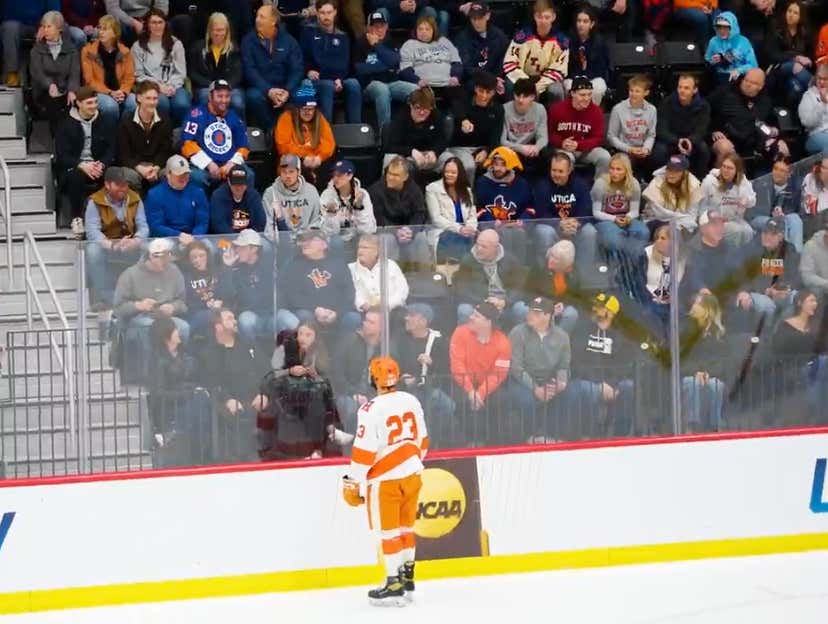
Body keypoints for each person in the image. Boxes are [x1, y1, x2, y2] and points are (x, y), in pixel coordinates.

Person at [342, 356, 429, 607]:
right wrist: (410, 463)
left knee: (389, 534)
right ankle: (408, 578)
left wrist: (353, 482)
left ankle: (393, 583)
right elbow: (422, 441)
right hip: (413, 474)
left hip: (386, 481)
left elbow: (363, 453)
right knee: (406, 529)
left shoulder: (370, 409)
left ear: (373, 378)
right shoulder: (411, 400)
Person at [199, 307, 269, 462]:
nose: (235, 321)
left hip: (256, 400)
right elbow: (212, 382)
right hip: (229, 403)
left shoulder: (249, 346)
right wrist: (227, 399)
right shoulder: (209, 353)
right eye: (230, 318)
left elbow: (266, 372)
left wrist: (264, 394)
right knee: (226, 415)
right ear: (218, 326)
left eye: (234, 317)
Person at [568, 293, 636, 438]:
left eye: (599, 307)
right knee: (590, 389)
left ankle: (620, 436)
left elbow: (625, 364)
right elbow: (577, 359)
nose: (594, 308)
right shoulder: (583, 328)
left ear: (610, 313)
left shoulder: (621, 335)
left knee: (628, 387)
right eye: (595, 305)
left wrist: (612, 384)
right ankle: (588, 435)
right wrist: (599, 383)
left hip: (612, 383)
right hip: (586, 379)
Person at [507, 296, 573, 442]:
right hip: (521, 382)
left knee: (569, 393)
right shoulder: (517, 333)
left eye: (536, 313)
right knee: (526, 399)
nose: (530, 315)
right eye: (530, 311)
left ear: (548, 316)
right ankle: (531, 436)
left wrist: (560, 383)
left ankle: (557, 436)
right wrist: (535, 388)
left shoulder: (562, 337)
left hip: (549, 380)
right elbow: (516, 367)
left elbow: (563, 365)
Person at [84, 166, 147, 318]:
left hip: (129, 242)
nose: (123, 188)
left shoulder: (135, 198)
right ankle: (102, 299)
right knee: (92, 250)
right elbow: (92, 231)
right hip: (106, 244)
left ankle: (144, 294)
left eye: (125, 184)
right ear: (107, 185)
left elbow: (143, 226)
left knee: (149, 247)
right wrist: (111, 245)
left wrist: (136, 240)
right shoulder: (95, 201)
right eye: (118, 185)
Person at [54, 87, 116, 238]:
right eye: (89, 103)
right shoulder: (65, 124)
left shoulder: (105, 120)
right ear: (79, 104)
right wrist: (82, 164)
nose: (93, 106)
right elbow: (62, 155)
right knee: (75, 177)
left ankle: (111, 220)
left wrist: (101, 164)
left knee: (114, 175)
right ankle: (77, 218)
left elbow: (111, 148)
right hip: (76, 166)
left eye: (95, 102)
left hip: (98, 164)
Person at [393, 304, 455, 446]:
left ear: (423, 321)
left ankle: (433, 443)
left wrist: (432, 363)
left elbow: (446, 370)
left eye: (412, 315)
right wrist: (402, 377)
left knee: (446, 405)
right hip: (405, 390)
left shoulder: (438, 341)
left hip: (431, 388)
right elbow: (393, 363)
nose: (406, 318)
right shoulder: (400, 339)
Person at [449, 301, 511, 440]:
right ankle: (467, 443)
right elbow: (457, 365)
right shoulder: (460, 332)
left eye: (476, 316)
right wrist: (471, 391)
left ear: (488, 322)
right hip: (462, 383)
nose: (471, 317)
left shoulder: (503, 342)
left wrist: (481, 393)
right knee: (461, 402)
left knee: (502, 400)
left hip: (487, 385)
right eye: (472, 314)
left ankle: (494, 444)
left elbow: (498, 374)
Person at [113, 236, 190, 347]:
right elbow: (118, 308)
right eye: (162, 258)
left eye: (167, 257)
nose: (166, 262)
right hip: (139, 318)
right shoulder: (130, 274)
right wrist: (138, 305)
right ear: (151, 256)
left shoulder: (174, 271)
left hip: (165, 317)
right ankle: (148, 364)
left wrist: (173, 307)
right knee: (148, 327)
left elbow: (182, 302)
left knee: (183, 327)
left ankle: (176, 362)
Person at [276, 230, 358, 331]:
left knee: (353, 318)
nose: (305, 243)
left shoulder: (339, 264)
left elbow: (348, 293)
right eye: (304, 241)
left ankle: (348, 346)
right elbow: (292, 296)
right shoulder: (295, 265)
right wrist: (315, 309)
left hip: (336, 314)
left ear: (324, 245)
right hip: (309, 312)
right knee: (305, 316)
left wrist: (336, 312)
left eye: (311, 240)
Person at [180, 79, 253, 191]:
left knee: (248, 175)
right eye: (219, 96)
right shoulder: (195, 116)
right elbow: (187, 145)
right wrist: (208, 164)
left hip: (229, 166)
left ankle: (241, 208)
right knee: (195, 177)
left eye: (227, 96)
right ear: (210, 96)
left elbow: (244, 147)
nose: (224, 100)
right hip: (204, 168)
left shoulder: (235, 118)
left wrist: (232, 164)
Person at [532, 151, 597, 276]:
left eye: (560, 171)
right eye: (554, 170)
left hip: (574, 226)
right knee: (543, 231)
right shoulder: (542, 185)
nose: (556, 174)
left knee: (590, 232)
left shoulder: (580, 185)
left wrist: (576, 223)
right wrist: (559, 223)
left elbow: (586, 209)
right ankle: (546, 274)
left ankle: (582, 275)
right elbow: (540, 213)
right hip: (552, 226)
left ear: (569, 170)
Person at [242, 4, 303, 131]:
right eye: (257, 16)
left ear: (273, 21)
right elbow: (249, 70)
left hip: (284, 88)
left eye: (262, 17)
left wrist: (287, 90)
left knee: (303, 94)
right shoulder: (248, 41)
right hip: (261, 89)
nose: (257, 19)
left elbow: (296, 69)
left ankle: (297, 133)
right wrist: (268, 90)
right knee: (253, 96)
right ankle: (273, 131)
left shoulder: (289, 41)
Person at [352, 11, 418, 128]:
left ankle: (414, 129)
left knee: (416, 90)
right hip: (369, 86)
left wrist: (377, 45)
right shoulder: (361, 43)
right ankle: (386, 134)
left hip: (391, 83)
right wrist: (385, 66)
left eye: (382, 26)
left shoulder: (390, 42)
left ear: (386, 26)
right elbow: (359, 69)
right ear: (369, 27)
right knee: (381, 89)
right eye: (375, 26)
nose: (379, 30)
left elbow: (395, 62)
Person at [709, 68, 787, 166]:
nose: (748, 84)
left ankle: (776, 180)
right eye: (746, 80)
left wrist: (774, 130)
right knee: (725, 148)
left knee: (783, 148)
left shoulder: (765, 100)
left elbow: (773, 122)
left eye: (753, 83)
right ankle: (718, 180)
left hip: (755, 139)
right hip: (728, 137)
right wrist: (714, 130)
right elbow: (707, 110)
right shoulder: (725, 93)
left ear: (761, 86)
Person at [300, 0, 361, 124]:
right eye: (322, 13)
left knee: (353, 84)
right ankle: (325, 129)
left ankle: (355, 128)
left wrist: (340, 78)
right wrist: (308, 71)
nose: (326, 16)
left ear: (335, 13)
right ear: (317, 13)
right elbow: (302, 58)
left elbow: (345, 64)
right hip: (316, 79)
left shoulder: (343, 36)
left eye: (329, 12)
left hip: (337, 79)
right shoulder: (308, 32)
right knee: (327, 85)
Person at [127, 8, 190, 125]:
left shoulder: (176, 44)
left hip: (173, 86)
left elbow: (181, 72)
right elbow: (138, 74)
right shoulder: (138, 46)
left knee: (182, 104)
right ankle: (160, 131)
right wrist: (159, 87)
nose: (157, 26)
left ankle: (178, 132)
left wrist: (171, 86)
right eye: (153, 23)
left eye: (160, 22)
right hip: (150, 87)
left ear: (165, 24)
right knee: (161, 102)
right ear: (147, 25)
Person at [738, 217, 801, 327]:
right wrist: (766, 290)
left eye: (773, 234)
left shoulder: (789, 249)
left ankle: (780, 334)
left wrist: (783, 289)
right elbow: (746, 276)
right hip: (756, 292)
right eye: (765, 233)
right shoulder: (753, 248)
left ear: (781, 236)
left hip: (779, 292)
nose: (767, 237)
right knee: (767, 304)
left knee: (794, 298)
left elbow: (792, 275)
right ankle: (766, 337)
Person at [369, 156, 431, 266]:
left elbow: (420, 213)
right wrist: (396, 231)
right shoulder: (376, 190)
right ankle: (389, 275)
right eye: (389, 173)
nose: (391, 177)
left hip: (407, 230)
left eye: (396, 175)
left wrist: (411, 230)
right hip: (386, 230)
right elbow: (378, 218)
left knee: (421, 238)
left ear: (405, 177)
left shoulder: (414, 189)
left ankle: (423, 275)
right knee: (387, 239)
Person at [473, 146, 532, 261]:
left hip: (514, 227)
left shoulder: (521, 184)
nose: (498, 168)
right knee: (497, 234)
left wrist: (521, 222)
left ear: (511, 165)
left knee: (517, 233)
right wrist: (494, 223)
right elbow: (478, 209)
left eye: (503, 164)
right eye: (496, 163)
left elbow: (530, 208)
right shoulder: (482, 182)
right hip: (489, 225)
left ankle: (515, 270)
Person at [503, 0, 569, 104]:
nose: (543, 21)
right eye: (539, 17)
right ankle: (510, 117)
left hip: (546, 79)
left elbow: (559, 70)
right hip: (523, 76)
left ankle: (554, 119)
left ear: (553, 17)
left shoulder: (561, 41)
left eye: (547, 17)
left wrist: (538, 86)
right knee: (509, 84)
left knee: (556, 90)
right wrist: (526, 84)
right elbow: (510, 63)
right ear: (534, 17)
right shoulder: (522, 37)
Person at [454, 228, 525, 324]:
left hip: (504, 305)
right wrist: (485, 303)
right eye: (478, 244)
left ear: (495, 247)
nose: (479, 249)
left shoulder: (510, 260)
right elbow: (462, 289)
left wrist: (504, 302)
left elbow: (519, 287)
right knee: (464, 310)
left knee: (521, 308)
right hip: (479, 304)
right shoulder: (468, 260)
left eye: (484, 246)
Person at [680, 293, 728, 432]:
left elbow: (722, 361)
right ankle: (691, 426)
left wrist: (708, 373)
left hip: (711, 375)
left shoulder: (719, 333)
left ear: (708, 309)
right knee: (691, 382)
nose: (694, 306)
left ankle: (715, 427)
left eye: (698, 303)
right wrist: (696, 372)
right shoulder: (685, 330)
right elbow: (681, 359)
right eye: (694, 303)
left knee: (716, 385)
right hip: (689, 374)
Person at [444, 70, 503, 182]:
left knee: (501, 165)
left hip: (484, 148)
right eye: (481, 91)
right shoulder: (464, 99)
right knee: (469, 166)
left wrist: (487, 151)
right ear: (475, 88)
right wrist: (463, 120)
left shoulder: (498, 109)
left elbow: (496, 135)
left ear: (494, 92)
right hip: (461, 147)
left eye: (488, 92)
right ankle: (467, 195)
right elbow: (453, 101)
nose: (484, 96)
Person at [274, 80, 336, 185]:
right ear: (297, 109)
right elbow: (283, 146)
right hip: (295, 160)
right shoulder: (286, 118)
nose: (308, 112)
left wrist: (320, 157)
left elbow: (329, 142)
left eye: (311, 109)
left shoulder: (319, 118)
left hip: (316, 159)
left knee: (331, 167)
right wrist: (303, 156)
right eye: (304, 109)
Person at [116, 80, 174, 192]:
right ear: (138, 98)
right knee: (129, 176)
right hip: (135, 166)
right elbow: (123, 154)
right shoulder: (126, 121)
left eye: (155, 98)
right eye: (148, 98)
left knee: (172, 172)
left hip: (157, 165)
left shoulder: (165, 119)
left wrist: (156, 167)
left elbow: (166, 150)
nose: (152, 102)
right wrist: (140, 168)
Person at [547, 76, 610, 175]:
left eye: (589, 94)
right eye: (582, 95)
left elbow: (598, 138)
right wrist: (561, 142)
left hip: (586, 150)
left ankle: (600, 187)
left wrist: (579, 145)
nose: (587, 98)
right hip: (564, 149)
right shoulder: (557, 109)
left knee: (604, 157)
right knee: (566, 160)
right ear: (572, 93)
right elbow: (550, 134)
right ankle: (568, 188)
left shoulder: (596, 111)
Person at [29, 11, 81, 132]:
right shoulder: (37, 50)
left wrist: (72, 90)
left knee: (74, 104)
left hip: (65, 91)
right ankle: (56, 144)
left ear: (59, 29)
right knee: (54, 105)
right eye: (43, 26)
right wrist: (50, 85)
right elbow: (37, 73)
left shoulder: (71, 49)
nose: (45, 30)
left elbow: (74, 74)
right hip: (43, 92)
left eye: (49, 26)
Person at [652, 74, 712, 178]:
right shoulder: (667, 103)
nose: (682, 90)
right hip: (671, 140)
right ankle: (660, 181)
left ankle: (699, 181)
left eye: (686, 88)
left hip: (691, 140)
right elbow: (661, 129)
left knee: (703, 149)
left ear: (695, 90)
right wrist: (677, 140)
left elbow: (701, 130)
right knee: (659, 151)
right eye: (680, 87)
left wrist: (690, 140)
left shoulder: (703, 106)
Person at [80, 14, 134, 127]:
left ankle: (123, 130)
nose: (100, 32)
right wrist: (110, 92)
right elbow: (89, 80)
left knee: (134, 103)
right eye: (99, 28)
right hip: (99, 92)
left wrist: (123, 92)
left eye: (105, 29)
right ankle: (111, 134)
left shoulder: (125, 52)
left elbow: (129, 78)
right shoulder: (88, 51)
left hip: (120, 91)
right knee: (110, 106)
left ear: (115, 32)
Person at [591, 153, 648, 259]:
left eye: (618, 169)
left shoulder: (634, 184)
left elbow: (635, 211)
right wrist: (614, 219)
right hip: (605, 220)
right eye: (612, 168)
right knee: (614, 238)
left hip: (626, 219)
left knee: (642, 232)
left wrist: (628, 218)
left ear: (626, 171)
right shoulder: (600, 184)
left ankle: (634, 263)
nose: (614, 172)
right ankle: (618, 268)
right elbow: (596, 212)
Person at [222, 229, 275, 343]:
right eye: (236, 247)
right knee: (245, 320)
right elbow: (226, 294)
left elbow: (287, 250)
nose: (237, 250)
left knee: (287, 319)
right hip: (251, 314)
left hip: (272, 314)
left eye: (241, 247)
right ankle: (252, 356)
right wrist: (227, 267)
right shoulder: (235, 270)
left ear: (254, 249)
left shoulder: (269, 265)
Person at [188, 12, 244, 116]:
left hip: (229, 87)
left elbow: (238, 74)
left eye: (222, 30)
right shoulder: (198, 48)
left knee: (237, 101)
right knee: (205, 97)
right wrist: (211, 86)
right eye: (215, 30)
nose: (218, 33)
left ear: (227, 31)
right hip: (206, 86)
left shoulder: (234, 49)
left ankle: (239, 129)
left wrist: (225, 88)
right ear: (209, 30)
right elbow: (193, 72)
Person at [262, 154, 323, 249]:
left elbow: (317, 220)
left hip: (306, 241)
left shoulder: (311, 191)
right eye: (284, 172)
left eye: (291, 172)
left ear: (299, 172)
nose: (287, 176)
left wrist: (307, 238)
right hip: (282, 242)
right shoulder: (270, 193)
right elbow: (268, 226)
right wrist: (283, 241)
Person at [382, 85, 448, 173]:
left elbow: (442, 140)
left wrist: (434, 152)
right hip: (407, 157)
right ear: (411, 106)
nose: (422, 112)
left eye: (426, 108)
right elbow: (392, 146)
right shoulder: (401, 118)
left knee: (450, 160)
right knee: (390, 160)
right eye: (418, 108)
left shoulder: (436, 115)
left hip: (430, 156)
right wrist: (411, 151)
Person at [398, 14, 462, 103]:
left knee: (461, 94)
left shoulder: (444, 41)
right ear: (416, 31)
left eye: (427, 29)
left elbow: (457, 63)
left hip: (448, 83)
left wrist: (455, 77)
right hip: (424, 85)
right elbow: (405, 69)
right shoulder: (409, 44)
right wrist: (418, 81)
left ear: (434, 30)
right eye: (420, 29)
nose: (423, 32)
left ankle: (458, 117)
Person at [144, 155, 210, 241]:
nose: (184, 177)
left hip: (194, 237)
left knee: (209, 249)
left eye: (186, 174)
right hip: (166, 239)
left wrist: (195, 238)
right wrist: (178, 235)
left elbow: (202, 221)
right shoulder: (154, 195)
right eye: (179, 174)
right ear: (168, 174)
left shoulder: (198, 192)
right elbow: (156, 226)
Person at [426, 157, 477, 264]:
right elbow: (436, 219)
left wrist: (470, 228)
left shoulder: (467, 190)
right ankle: (453, 275)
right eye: (446, 172)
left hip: (466, 233)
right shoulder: (432, 188)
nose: (449, 175)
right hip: (444, 232)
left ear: (460, 174)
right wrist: (459, 229)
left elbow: (472, 215)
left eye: (453, 172)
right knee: (455, 241)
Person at [182, 239, 236, 338]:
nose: (197, 260)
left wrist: (221, 301)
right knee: (217, 317)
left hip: (220, 311)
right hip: (197, 315)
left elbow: (229, 293)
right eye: (194, 257)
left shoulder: (217, 271)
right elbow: (187, 302)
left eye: (201, 256)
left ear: (207, 256)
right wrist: (207, 305)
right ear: (189, 259)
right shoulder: (186, 277)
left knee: (225, 318)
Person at [700, 152, 757, 246]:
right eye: (724, 166)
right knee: (736, 231)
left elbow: (753, 200)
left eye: (730, 168)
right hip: (714, 221)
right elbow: (699, 205)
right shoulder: (709, 181)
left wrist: (746, 200)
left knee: (748, 232)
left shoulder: (743, 181)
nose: (725, 170)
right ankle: (728, 256)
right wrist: (710, 214)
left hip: (735, 219)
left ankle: (740, 256)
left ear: (737, 171)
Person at [750, 154, 804, 253]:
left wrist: (782, 214)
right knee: (780, 223)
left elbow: (796, 210)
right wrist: (773, 214)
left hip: (784, 219)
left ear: (789, 174)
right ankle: (783, 255)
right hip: (761, 218)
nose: (777, 173)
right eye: (775, 168)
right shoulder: (761, 184)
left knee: (794, 220)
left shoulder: (795, 188)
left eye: (782, 171)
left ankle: (795, 255)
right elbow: (754, 211)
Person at [348, 233, 410, 316]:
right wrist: (364, 305)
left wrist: (387, 305)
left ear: (377, 251)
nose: (360, 251)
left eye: (365, 248)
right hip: (364, 313)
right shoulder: (350, 269)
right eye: (359, 247)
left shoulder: (391, 265)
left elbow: (403, 290)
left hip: (392, 311)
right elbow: (350, 293)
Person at [607, 75, 657, 177]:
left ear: (646, 93)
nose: (633, 94)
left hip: (643, 149)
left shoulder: (652, 110)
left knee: (659, 156)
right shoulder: (618, 109)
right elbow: (611, 137)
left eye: (637, 91)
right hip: (625, 149)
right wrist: (629, 149)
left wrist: (646, 149)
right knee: (626, 161)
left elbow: (651, 135)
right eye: (631, 91)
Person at [766, 0, 813, 107]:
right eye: (789, 11)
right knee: (793, 65)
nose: (791, 15)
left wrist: (807, 60)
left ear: (801, 16)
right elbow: (772, 54)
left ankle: (788, 115)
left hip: (797, 72)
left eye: (795, 13)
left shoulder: (805, 31)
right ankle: (816, 87)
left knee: (796, 87)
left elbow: (810, 56)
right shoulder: (775, 27)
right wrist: (795, 58)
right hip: (777, 67)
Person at [1, 1, 60, 87]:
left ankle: (56, 81)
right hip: (14, 27)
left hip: (40, 26)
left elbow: (55, 13)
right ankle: (12, 74)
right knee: (10, 27)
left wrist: (46, 25)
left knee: (58, 30)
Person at [642, 154, 703, 235]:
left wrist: (686, 222)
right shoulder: (657, 182)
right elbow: (660, 214)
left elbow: (692, 213)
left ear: (684, 173)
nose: (671, 174)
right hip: (656, 220)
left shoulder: (693, 185)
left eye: (676, 171)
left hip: (682, 222)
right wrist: (683, 218)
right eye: (669, 169)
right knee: (670, 233)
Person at [319, 159, 377, 245]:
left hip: (358, 239)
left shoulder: (363, 194)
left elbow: (368, 230)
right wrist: (331, 214)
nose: (335, 178)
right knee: (336, 242)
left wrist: (359, 207)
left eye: (339, 175)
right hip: (336, 241)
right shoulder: (327, 195)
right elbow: (328, 232)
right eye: (333, 175)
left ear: (350, 175)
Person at [500, 77, 548, 177]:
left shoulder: (540, 109)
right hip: (512, 148)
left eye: (525, 96)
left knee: (547, 153)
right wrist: (521, 148)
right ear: (513, 95)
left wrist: (537, 148)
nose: (520, 100)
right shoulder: (504, 109)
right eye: (518, 96)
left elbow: (543, 137)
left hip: (531, 149)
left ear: (533, 97)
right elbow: (502, 141)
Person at [454, 2, 509, 88]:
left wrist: (497, 78)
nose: (477, 22)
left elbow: (503, 61)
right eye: (473, 19)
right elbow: (467, 67)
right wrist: (490, 79)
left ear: (488, 16)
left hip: (496, 80)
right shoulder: (462, 38)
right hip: (474, 81)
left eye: (480, 18)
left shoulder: (499, 36)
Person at [565, 5, 609, 105]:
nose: (581, 24)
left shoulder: (599, 42)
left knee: (599, 86)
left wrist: (586, 80)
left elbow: (602, 67)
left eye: (585, 21)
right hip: (573, 78)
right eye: (579, 21)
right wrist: (578, 80)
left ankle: (590, 113)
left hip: (592, 77)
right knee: (568, 86)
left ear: (592, 24)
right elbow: (566, 67)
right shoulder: (568, 40)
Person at [704, 12, 758, 86]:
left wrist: (739, 71)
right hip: (720, 76)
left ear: (733, 27)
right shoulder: (713, 41)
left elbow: (753, 65)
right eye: (719, 27)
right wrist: (712, 61)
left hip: (739, 76)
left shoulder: (744, 41)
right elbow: (707, 59)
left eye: (726, 27)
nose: (722, 31)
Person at [209, 165, 265, 234]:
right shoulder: (218, 196)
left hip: (250, 239)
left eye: (241, 184)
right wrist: (236, 239)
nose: (238, 188)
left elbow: (260, 223)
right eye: (235, 184)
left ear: (246, 183)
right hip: (227, 238)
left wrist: (248, 238)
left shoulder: (254, 196)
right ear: (229, 182)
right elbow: (219, 225)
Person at [797, 64, 828, 155]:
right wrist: (822, 104)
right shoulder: (808, 96)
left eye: (825, 79)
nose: (821, 82)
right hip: (815, 135)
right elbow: (808, 123)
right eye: (819, 78)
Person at [800, 154, 828, 240]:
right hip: (810, 222)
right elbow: (811, 210)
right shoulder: (810, 179)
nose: (825, 171)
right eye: (823, 168)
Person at [800, 228, 828, 297]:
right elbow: (806, 276)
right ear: (826, 235)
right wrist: (826, 283)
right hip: (819, 288)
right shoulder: (810, 246)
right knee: (816, 291)